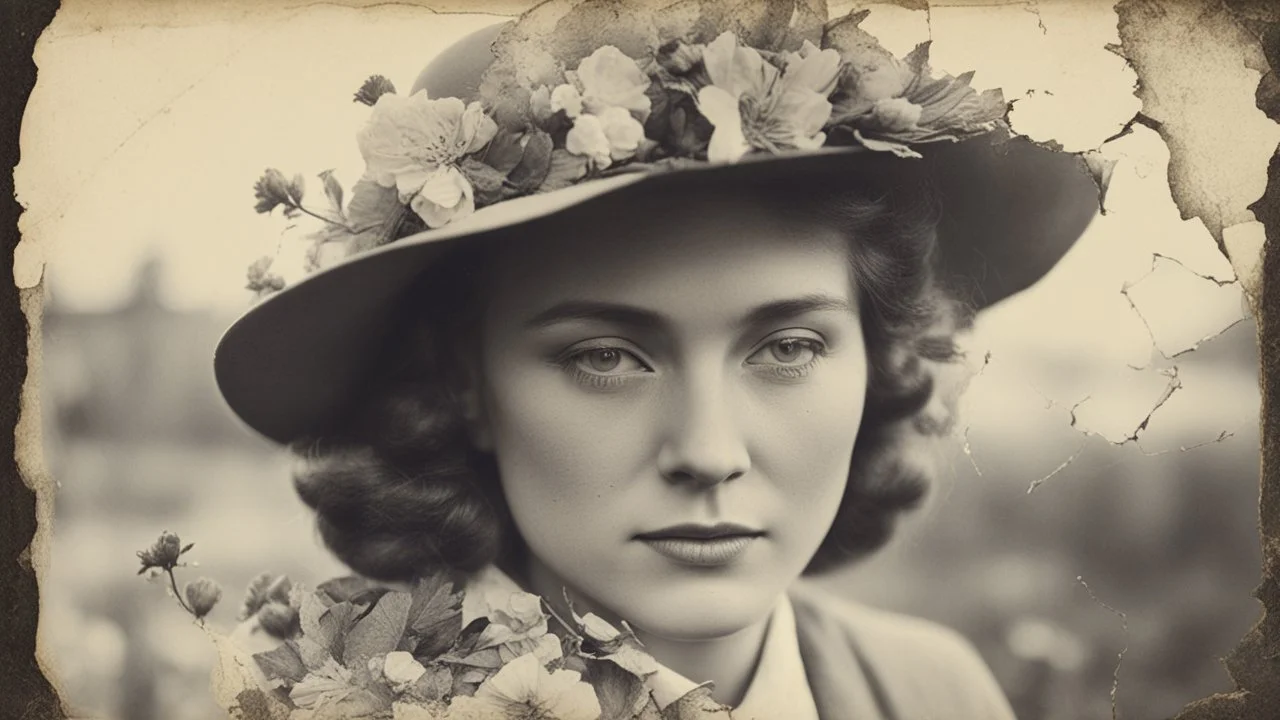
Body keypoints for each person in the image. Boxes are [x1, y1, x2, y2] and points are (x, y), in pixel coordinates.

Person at [216, 3, 1100, 718]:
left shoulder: (933, 696)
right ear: (465, 382)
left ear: (877, 358)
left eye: (789, 346)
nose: (709, 451)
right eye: (606, 356)